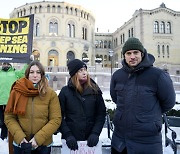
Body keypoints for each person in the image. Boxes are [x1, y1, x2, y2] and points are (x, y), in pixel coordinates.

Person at [110, 37, 176, 154]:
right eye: (128, 53)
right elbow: (115, 98)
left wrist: (149, 117)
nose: (132, 56)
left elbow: (169, 102)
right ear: (124, 55)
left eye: (136, 52)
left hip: (147, 143)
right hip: (120, 142)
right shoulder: (117, 76)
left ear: (142, 53)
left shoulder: (157, 75)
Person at [4, 61, 62, 154]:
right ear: (27, 74)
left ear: (42, 74)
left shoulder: (50, 94)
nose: (35, 75)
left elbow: (55, 119)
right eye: (32, 72)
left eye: (38, 72)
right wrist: (20, 138)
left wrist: (38, 139)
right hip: (21, 144)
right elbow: (9, 117)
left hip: (43, 145)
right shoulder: (17, 91)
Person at [58, 59, 106, 151]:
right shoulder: (65, 92)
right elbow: (59, 116)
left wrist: (95, 133)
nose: (84, 73)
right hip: (71, 142)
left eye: (85, 70)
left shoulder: (95, 90)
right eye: (80, 70)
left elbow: (101, 114)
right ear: (74, 74)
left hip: (90, 142)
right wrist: (67, 135)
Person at [0, 62, 27, 140]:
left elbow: (24, 73)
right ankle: (4, 136)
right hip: (0, 101)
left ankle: (6, 136)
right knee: (2, 120)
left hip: (11, 101)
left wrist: (28, 62)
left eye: (7, 64)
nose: (5, 66)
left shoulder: (15, 73)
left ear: (10, 65)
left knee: (10, 119)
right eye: (3, 64)